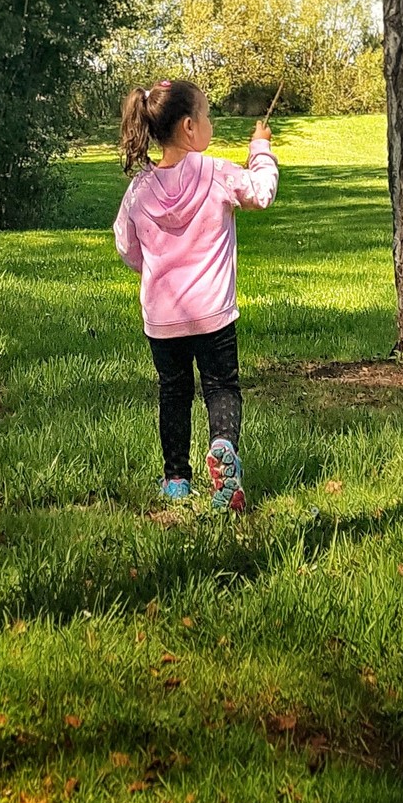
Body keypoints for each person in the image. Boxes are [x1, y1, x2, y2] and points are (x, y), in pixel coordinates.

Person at [113, 77, 278, 510]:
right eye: (206, 116)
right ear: (189, 126)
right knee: (221, 387)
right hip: (213, 315)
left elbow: (128, 249)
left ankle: (176, 481)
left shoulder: (139, 190)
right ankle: (223, 447)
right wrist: (260, 149)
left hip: (162, 319)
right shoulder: (217, 173)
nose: (209, 123)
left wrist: (152, 265)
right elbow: (261, 194)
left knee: (174, 392)